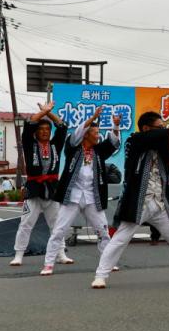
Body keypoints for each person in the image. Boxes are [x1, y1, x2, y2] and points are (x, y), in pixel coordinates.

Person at [90, 112, 169, 289]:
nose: (161, 130)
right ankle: (101, 275)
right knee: (120, 239)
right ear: (146, 128)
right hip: (139, 201)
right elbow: (162, 135)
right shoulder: (135, 140)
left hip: (159, 202)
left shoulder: (160, 145)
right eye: (158, 127)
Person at [41, 109, 122, 276]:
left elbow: (113, 142)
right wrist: (91, 118)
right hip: (73, 196)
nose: (98, 135)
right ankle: (48, 264)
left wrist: (115, 126)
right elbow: (76, 134)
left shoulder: (98, 151)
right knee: (59, 230)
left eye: (99, 132)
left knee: (103, 231)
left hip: (93, 197)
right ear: (86, 135)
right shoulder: (72, 148)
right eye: (95, 132)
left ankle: (107, 263)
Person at [9, 101, 73, 268]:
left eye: (47, 130)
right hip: (34, 188)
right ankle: (18, 255)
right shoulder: (30, 145)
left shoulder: (55, 145)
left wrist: (49, 114)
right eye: (41, 129)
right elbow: (28, 125)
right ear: (36, 133)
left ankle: (60, 253)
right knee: (26, 224)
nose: (44, 132)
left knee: (57, 224)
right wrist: (41, 113)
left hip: (52, 188)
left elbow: (63, 127)